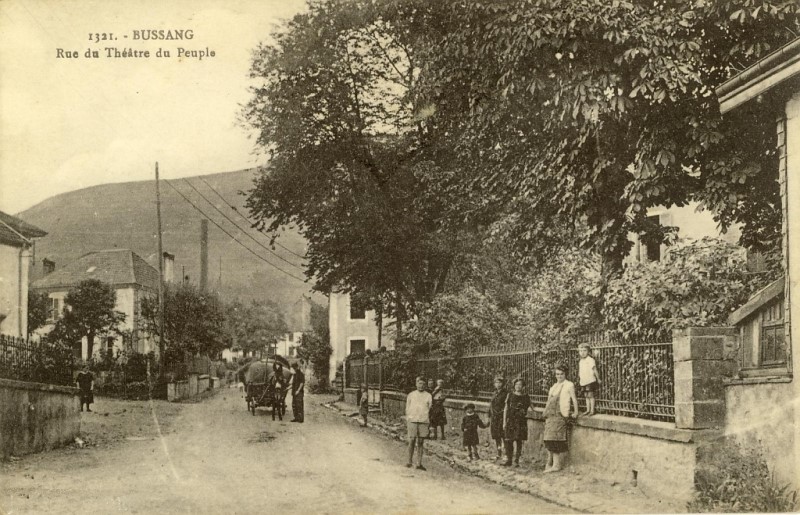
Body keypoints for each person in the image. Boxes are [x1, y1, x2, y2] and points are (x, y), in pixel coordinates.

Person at [543, 364, 579, 473]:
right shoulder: (554, 386)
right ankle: (549, 463)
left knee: (556, 439)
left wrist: (576, 412)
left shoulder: (569, 385)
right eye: (557, 374)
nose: (559, 376)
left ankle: (556, 465)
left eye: (561, 374)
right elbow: (549, 401)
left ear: (565, 374)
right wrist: (545, 412)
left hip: (561, 414)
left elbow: (574, 399)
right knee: (548, 438)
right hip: (551, 415)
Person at [405, 376, 433, 470]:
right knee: (412, 440)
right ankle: (409, 461)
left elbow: (430, 408)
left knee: (421, 442)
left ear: (426, 385)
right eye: (420, 383)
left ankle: (419, 463)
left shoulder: (428, 396)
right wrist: (409, 418)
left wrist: (427, 420)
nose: (421, 386)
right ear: (416, 384)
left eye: (423, 384)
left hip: (423, 421)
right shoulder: (411, 395)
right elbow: (407, 408)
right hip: (412, 420)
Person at [502, 378, 530, 467]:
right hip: (511, 420)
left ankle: (516, 460)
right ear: (514, 386)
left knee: (519, 440)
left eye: (520, 384)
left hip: (521, 421)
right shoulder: (510, 395)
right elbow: (506, 409)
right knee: (508, 440)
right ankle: (509, 459)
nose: (518, 386)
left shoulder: (526, 396)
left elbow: (531, 406)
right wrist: (504, 422)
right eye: (516, 384)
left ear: (523, 386)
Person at [578, 343, 601, 416]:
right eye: (581, 351)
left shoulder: (590, 360)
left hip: (590, 380)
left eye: (584, 350)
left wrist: (598, 379)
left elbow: (594, 370)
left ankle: (592, 411)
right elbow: (580, 371)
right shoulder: (581, 361)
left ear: (588, 351)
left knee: (590, 395)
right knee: (586, 396)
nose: (582, 352)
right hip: (583, 381)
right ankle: (588, 410)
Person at [488, 376, 506, 460]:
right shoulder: (494, 393)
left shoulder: (505, 393)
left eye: (500, 382)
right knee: (496, 435)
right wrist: (489, 415)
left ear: (503, 384)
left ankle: (506, 454)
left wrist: (501, 413)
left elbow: (506, 406)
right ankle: (499, 453)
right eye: (496, 383)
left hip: (501, 417)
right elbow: (491, 404)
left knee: (503, 435)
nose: (498, 384)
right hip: (494, 417)